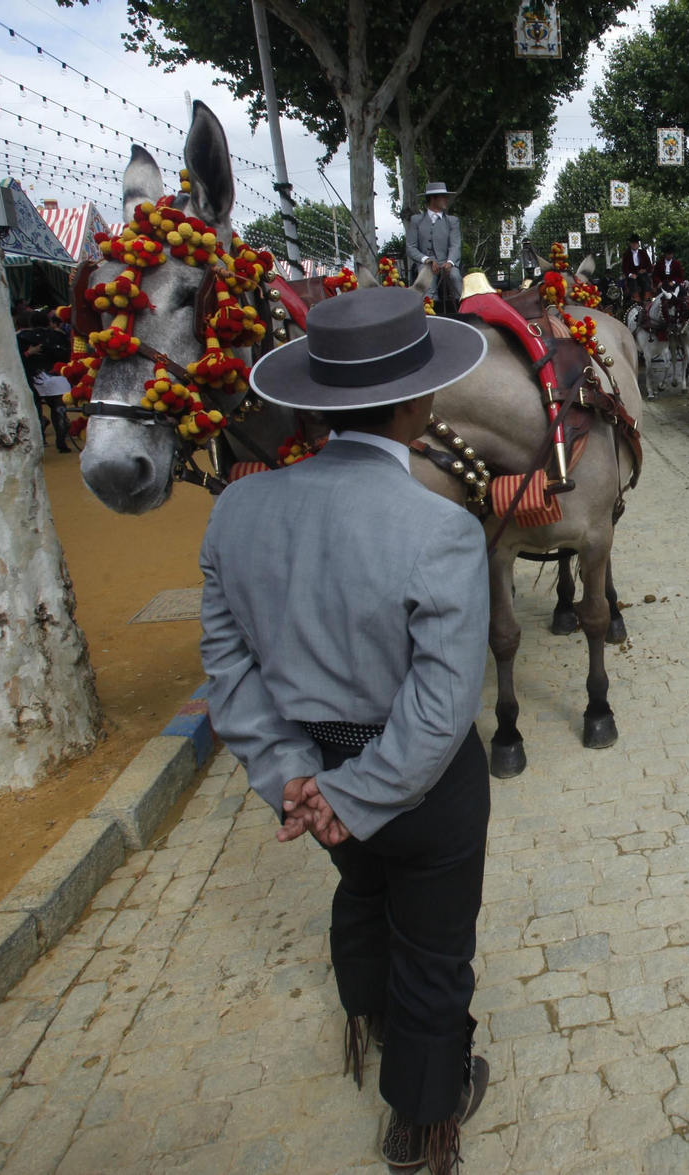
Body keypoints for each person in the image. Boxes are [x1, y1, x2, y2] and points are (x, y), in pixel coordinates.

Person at [203, 286, 493, 1173]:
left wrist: (297, 778)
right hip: (422, 777)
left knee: (362, 893)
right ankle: (420, 1121)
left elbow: (230, 670)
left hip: (312, 767)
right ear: (418, 403)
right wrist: (353, 795)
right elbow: (441, 707)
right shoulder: (440, 527)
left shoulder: (236, 512)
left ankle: (367, 1022)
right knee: (436, 945)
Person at [16, 310, 72, 452]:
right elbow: (66, 355)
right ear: (48, 322)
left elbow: (17, 359)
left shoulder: (22, 337)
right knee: (58, 410)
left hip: (34, 377)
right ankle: (61, 443)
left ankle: (41, 440)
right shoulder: (58, 335)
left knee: (36, 411)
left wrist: (29, 353)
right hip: (56, 376)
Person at [406, 181, 463, 309]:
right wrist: (427, 260)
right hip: (425, 264)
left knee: (455, 277)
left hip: (446, 262)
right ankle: (431, 314)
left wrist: (450, 262)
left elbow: (455, 245)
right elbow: (411, 247)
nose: (446, 199)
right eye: (443, 196)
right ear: (433, 198)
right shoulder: (416, 220)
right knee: (427, 283)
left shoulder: (452, 221)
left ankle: (461, 310)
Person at [621, 234, 653, 304]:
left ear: (638, 244)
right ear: (630, 244)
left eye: (636, 243)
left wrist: (645, 270)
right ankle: (636, 298)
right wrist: (630, 275)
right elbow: (624, 268)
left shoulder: (643, 253)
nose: (635, 244)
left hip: (642, 274)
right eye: (633, 243)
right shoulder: (626, 254)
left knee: (645, 280)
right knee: (633, 281)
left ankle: (647, 297)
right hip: (632, 275)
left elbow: (649, 266)